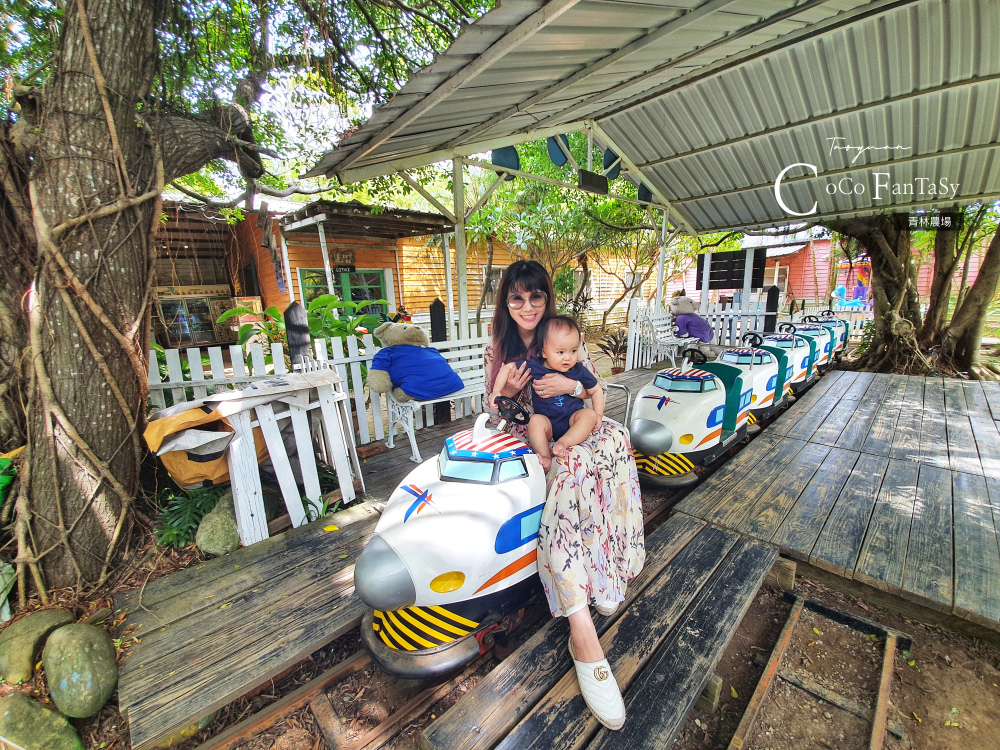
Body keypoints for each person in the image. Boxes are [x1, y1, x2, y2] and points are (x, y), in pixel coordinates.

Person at [484, 260, 644, 730]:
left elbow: (598, 399)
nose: (527, 306)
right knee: (571, 466)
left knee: (614, 441)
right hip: (530, 433)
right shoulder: (503, 347)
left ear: (546, 299)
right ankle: (581, 628)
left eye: (535, 297)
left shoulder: (566, 336)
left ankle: (606, 570)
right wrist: (508, 394)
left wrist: (571, 383)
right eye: (517, 298)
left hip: (574, 423)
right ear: (506, 302)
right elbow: (494, 412)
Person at [491, 315, 604, 471]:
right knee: (535, 421)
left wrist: (598, 414)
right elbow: (507, 368)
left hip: (572, 420)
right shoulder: (535, 366)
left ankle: (563, 443)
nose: (568, 357)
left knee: (589, 415)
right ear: (544, 352)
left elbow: (597, 390)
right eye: (560, 352)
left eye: (573, 351)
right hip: (548, 424)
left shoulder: (578, 370)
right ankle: (545, 457)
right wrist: (496, 391)